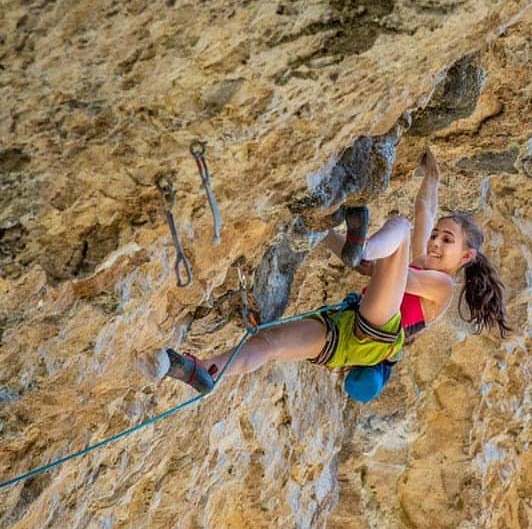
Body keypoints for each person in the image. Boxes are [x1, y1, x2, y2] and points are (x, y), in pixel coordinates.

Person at [164, 150, 510, 400]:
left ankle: (364, 246)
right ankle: (205, 370)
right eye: (436, 234)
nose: (435, 241)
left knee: (400, 228)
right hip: (346, 334)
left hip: (377, 331)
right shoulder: (420, 258)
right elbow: (426, 209)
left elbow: (397, 275)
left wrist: (368, 254)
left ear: (466, 256)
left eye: (446, 240)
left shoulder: (443, 286)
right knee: (266, 344)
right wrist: (318, 229)